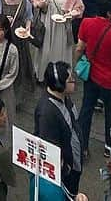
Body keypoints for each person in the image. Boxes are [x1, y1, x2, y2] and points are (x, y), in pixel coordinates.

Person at [75, 0, 111, 151]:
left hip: (91, 76)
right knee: (110, 113)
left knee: (86, 110)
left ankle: (82, 145)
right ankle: (108, 144)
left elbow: (79, 48)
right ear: (110, 13)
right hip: (110, 81)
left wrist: (77, 64)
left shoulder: (86, 23)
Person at [34, 62, 85, 199]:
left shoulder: (65, 98)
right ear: (59, 85)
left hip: (74, 163)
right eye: (69, 80)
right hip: (65, 173)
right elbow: (50, 148)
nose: (74, 81)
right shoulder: (47, 112)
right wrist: (65, 169)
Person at [30, 0, 84, 81]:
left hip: (62, 24)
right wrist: (39, 4)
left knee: (61, 50)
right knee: (45, 51)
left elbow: (80, 8)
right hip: (46, 22)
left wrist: (70, 14)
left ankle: (61, 77)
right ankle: (42, 75)